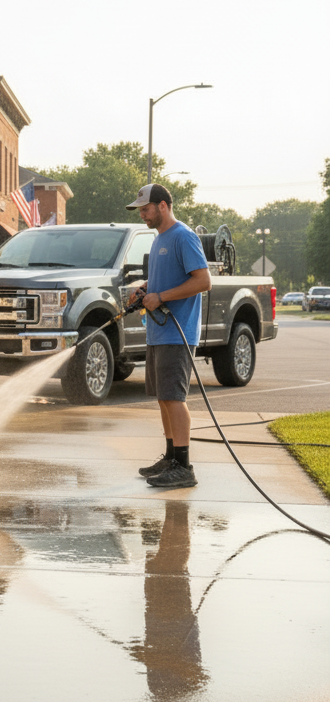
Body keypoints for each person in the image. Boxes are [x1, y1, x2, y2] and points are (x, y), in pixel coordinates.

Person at [126, 183, 212, 488]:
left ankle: (184, 467)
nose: (142, 216)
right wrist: (147, 288)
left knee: (174, 399)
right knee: (163, 398)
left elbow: (203, 281)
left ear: (163, 206)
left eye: (146, 209)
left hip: (178, 332)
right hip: (158, 333)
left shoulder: (184, 236)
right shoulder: (161, 239)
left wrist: (161, 296)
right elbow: (168, 277)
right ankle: (171, 457)